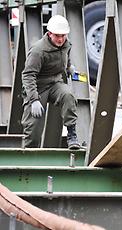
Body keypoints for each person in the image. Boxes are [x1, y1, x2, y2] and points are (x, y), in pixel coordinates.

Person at [21, 15, 80, 150]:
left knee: (68, 96)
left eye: (63, 35)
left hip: (55, 83)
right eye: (57, 36)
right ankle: (29, 157)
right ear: (49, 34)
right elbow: (28, 75)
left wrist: (69, 67)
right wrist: (34, 99)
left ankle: (71, 135)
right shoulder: (38, 50)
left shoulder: (66, 43)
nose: (60, 39)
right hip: (38, 87)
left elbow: (65, 56)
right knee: (33, 128)